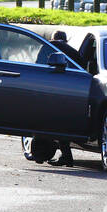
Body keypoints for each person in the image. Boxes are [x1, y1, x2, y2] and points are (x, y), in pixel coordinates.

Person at [46, 30, 81, 167]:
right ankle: (66, 155)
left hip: (54, 89)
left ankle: (64, 156)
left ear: (53, 38)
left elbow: (37, 64)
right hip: (75, 90)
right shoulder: (74, 52)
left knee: (55, 122)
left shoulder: (50, 47)